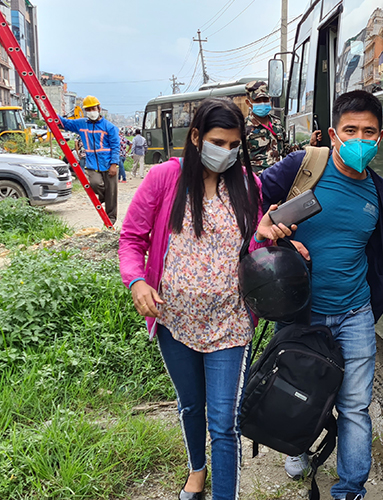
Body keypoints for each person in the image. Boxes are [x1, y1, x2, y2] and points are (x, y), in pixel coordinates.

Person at [119, 98, 304, 500]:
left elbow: (250, 246)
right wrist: (136, 282)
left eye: (235, 145)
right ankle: (196, 470)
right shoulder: (165, 179)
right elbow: (132, 238)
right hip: (174, 321)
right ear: (196, 138)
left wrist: (269, 237)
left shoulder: (246, 185)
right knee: (191, 407)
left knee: (224, 423)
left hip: (230, 324)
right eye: (219, 142)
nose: (227, 152)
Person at [258, 90, 383, 500]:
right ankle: (298, 446)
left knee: (354, 406)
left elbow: (370, 240)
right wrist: (262, 225)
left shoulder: (378, 191)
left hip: (354, 313)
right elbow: (249, 202)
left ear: (380, 137)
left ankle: (350, 488)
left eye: (368, 132)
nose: (358, 139)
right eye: (350, 130)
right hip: (301, 311)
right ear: (333, 134)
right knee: (301, 392)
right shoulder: (302, 167)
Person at [60, 95, 121, 224]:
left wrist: (114, 164)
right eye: (88, 110)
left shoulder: (109, 127)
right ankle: (103, 197)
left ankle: (111, 220)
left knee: (112, 193)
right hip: (92, 164)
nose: (91, 112)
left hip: (109, 163)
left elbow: (116, 146)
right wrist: (51, 115)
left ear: (99, 108)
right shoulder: (81, 124)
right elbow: (65, 123)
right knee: (94, 184)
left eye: (93, 108)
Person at [244, 80, 321, 172]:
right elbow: (240, 161)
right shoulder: (244, 128)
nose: (262, 103)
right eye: (257, 100)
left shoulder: (276, 123)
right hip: (257, 182)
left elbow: (287, 150)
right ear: (248, 103)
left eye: (265, 99)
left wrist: (309, 143)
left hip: (277, 177)